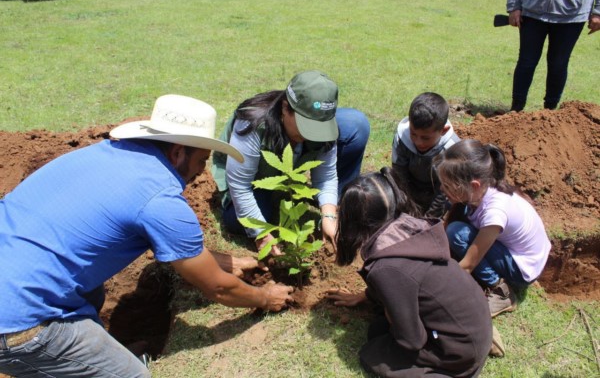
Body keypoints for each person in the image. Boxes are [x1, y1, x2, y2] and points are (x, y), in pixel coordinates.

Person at [0, 94, 294, 378]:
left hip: (16, 271)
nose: (202, 172)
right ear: (178, 152)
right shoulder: (160, 199)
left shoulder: (101, 154)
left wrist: (230, 261)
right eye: (202, 160)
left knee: (92, 292)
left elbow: (169, 245)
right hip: (19, 323)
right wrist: (265, 297)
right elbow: (218, 289)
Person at [326, 167, 492, 377]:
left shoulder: (386, 269)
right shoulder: (411, 228)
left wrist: (392, 315)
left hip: (458, 355)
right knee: (377, 330)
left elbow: (412, 340)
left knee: (371, 355)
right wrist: (364, 297)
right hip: (474, 330)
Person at [212, 70, 370, 252]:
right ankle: (272, 196)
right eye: (307, 126)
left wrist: (328, 215)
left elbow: (325, 176)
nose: (312, 134)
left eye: (319, 126)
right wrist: (261, 235)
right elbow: (240, 185)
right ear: (285, 108)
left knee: (355, 124)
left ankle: (339, 203)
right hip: (250, 178)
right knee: (242, 220)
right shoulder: (253, 122)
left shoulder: (326, 127)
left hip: (284, 169)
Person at [433, 139, 551, 318]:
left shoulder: (494, 212)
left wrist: (434, 287)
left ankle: (501, 290)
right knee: (455, 224)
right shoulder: (483, 190)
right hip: (520, 253)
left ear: (474, 185)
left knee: (457, 233)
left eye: (448, 186)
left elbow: (468, 265)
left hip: (523, 267)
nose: (443, 189)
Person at [507, 0, 600, 112]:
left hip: (572, 16)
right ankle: (516, 109)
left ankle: (550, 113)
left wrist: (598, 12)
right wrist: (514, 6)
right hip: (533, 11)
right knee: (526, 61)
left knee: (558, 63)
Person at [391, 92, 460, 218]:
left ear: (443, 131)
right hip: (411, 186)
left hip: (438, 190)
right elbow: (399, 174)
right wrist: (406, 206)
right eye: (413, 134)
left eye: (425, 138)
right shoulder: (402, 137)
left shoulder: (452, 149)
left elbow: (444, 190)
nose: (418, 142)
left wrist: (429, 218)